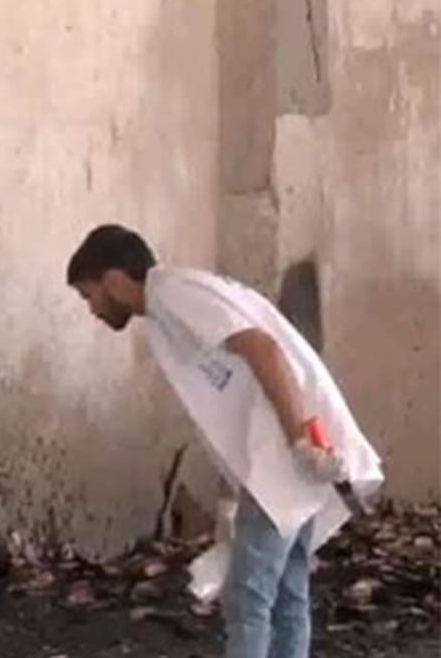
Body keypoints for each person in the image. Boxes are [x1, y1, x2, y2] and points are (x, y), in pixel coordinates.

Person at [64, 224, 383, 658]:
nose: (92, 309)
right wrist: (233, 497)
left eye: (89, 295)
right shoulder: (167, 309)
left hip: (285, 452)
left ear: (115, 281)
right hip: (283, 453)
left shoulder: (173, 293)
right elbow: (224, 403)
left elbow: (263, 350)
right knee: (286, 594)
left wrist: (299, 442)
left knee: (249, 597)